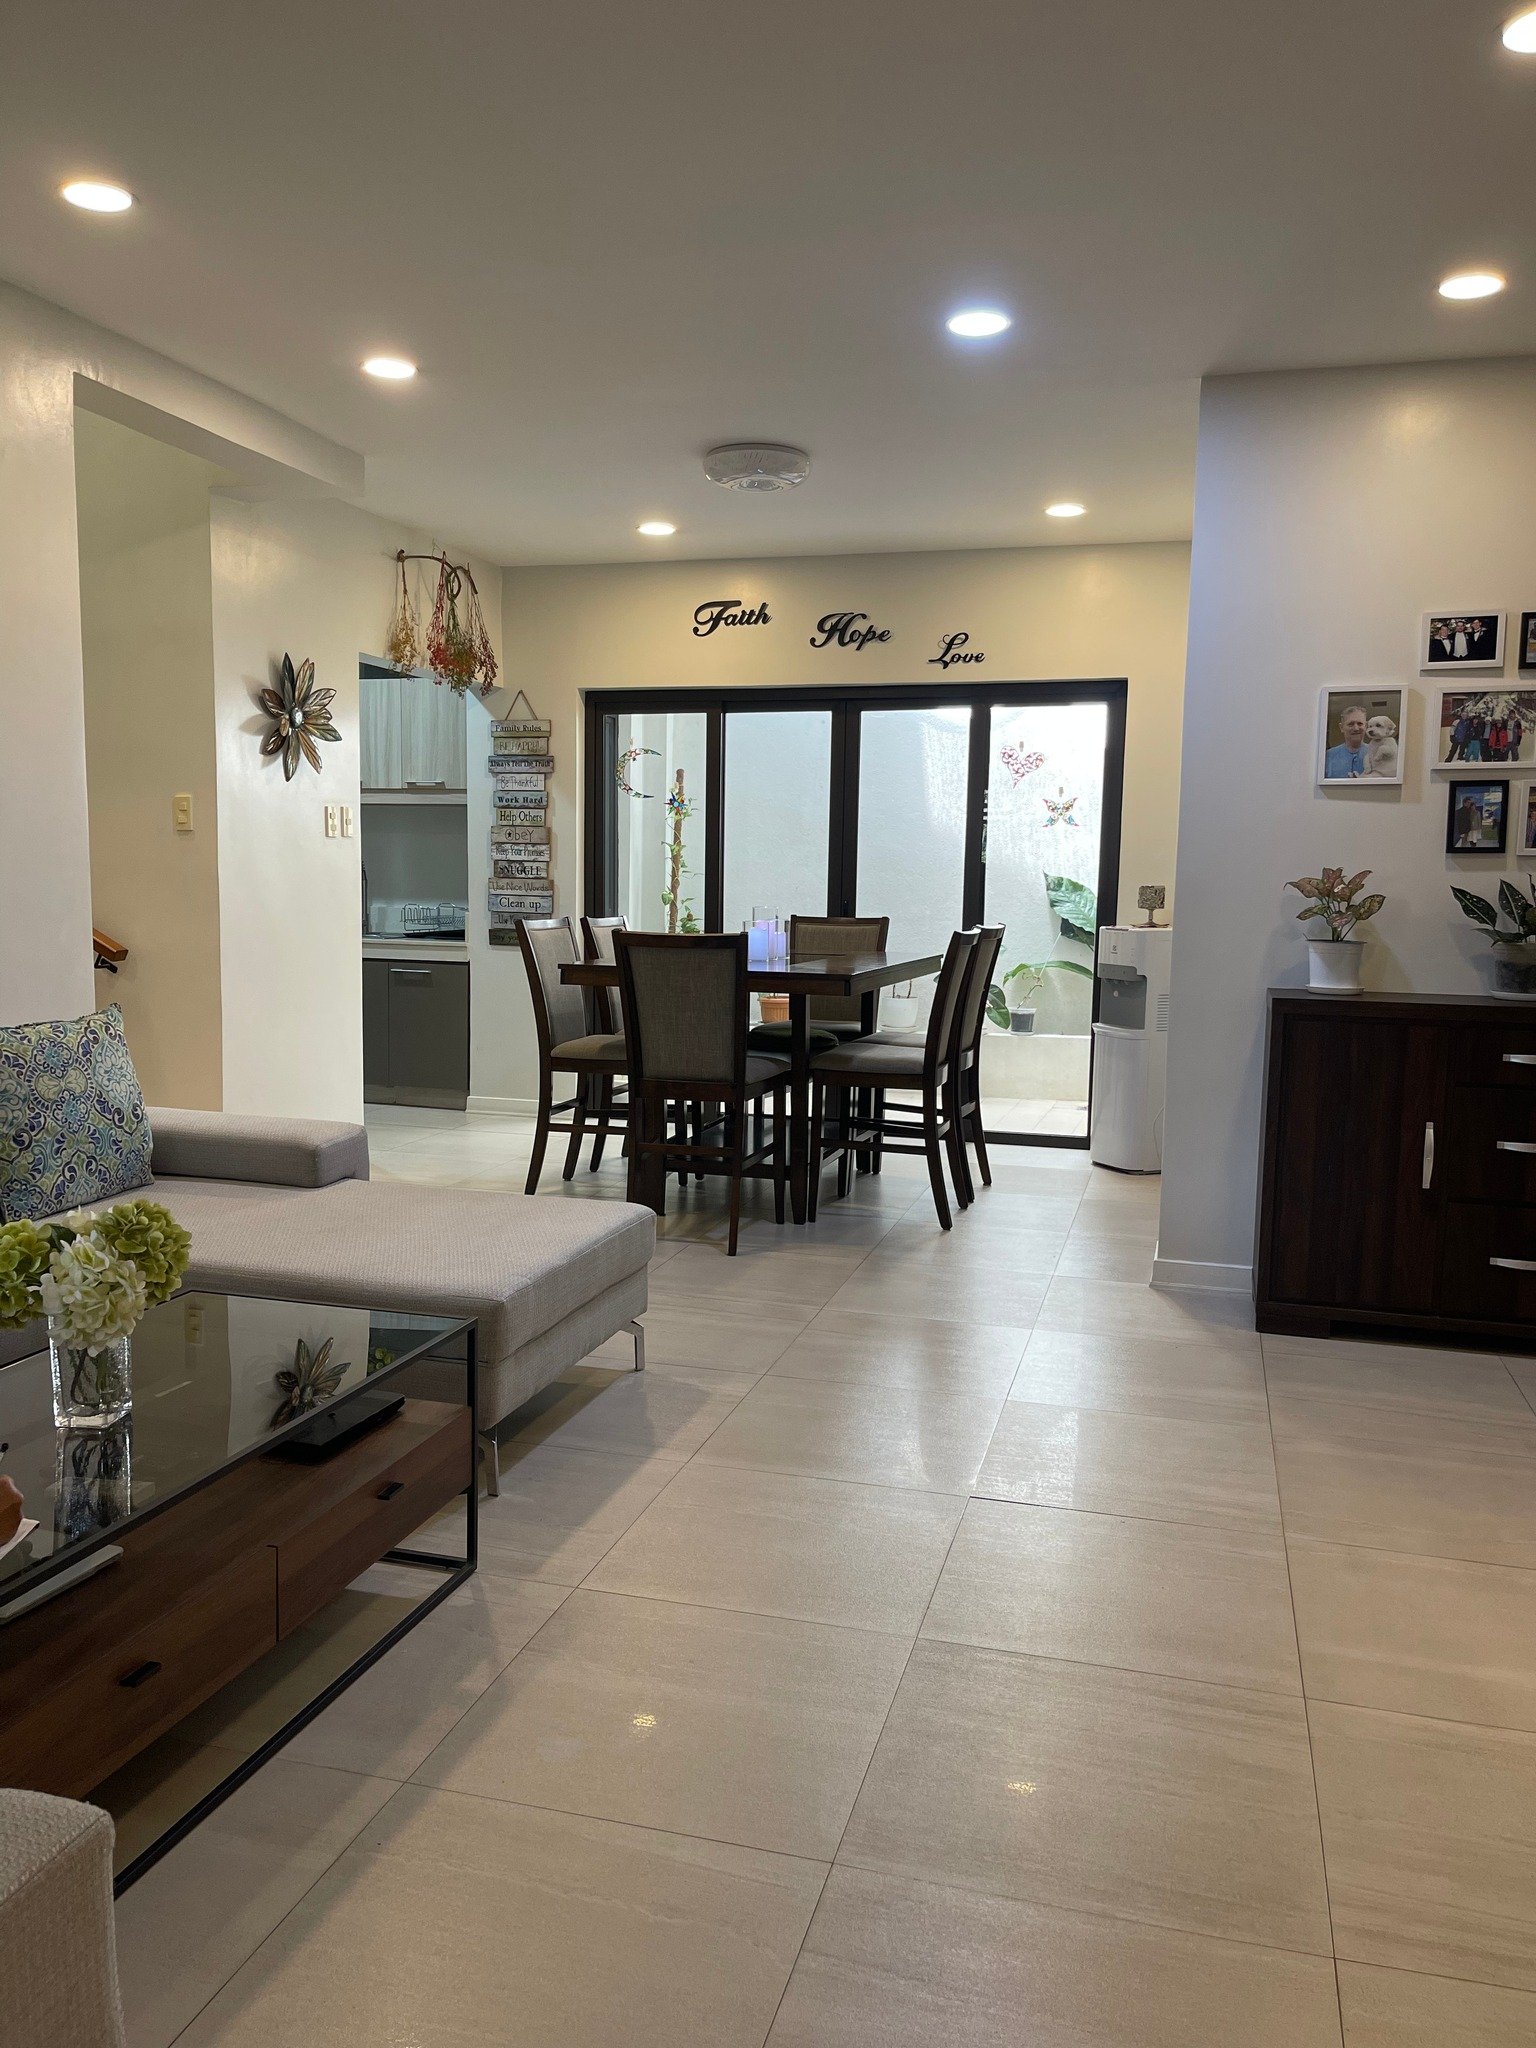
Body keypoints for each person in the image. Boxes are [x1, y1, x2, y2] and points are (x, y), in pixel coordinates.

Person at [1323, 704, 1370, 779]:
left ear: (1366, 726)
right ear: (1341, 727)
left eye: (1360, 724)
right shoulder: (1328, 756)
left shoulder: (1375, 754)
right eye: (1351, 724)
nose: (1356, 728)